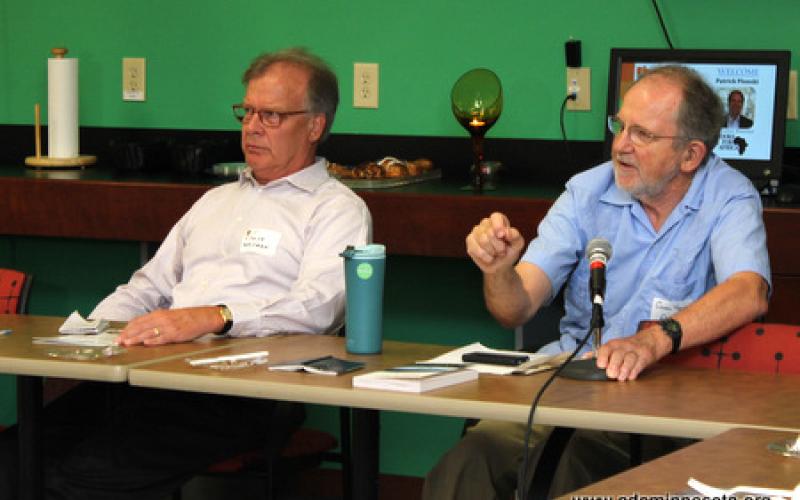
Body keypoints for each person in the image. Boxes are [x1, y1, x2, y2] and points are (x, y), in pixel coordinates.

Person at [0, 47, 371, 500]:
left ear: (315, 125)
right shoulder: (216, 201)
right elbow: (149, 286)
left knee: (78, 480)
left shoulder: (336, 209)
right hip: (150, 374)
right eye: (247, 112)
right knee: (14, 456)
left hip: (243, 390)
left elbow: (320, 306)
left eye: (271, 116)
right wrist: (87, 341)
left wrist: (218, 316)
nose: (252, 127)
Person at [423, 65, 770, 499]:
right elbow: (515, 307)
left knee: (579, 463)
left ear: (691, 155)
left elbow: (749, 290)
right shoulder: (586, 191)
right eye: (619, 126)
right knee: (469, 461)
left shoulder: (729, 196)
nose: (621, 145)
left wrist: (653, 342)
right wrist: (499, 271)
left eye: (642, 134)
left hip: (668, 398)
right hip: (570, 386)